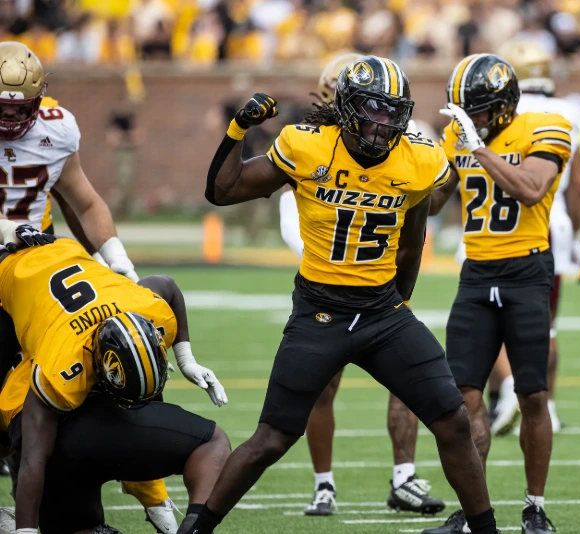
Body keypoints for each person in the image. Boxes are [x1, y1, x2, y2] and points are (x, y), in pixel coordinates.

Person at [181, 56, 498, 534]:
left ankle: (485, 529)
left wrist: (399, 304)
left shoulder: (417, 158)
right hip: (319, 312)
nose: (383, 123)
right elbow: (223, 191)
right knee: (271, 438)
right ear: (347, 107)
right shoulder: (308, 147)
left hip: (382, 313)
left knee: (452, 419)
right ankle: (197, 529)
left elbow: (414, 236)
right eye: (374, 110)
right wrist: (237, 129)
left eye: (393, 113)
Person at [0, 40, 184, 532]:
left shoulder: (57, 127)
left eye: (18, 109)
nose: (9, 120)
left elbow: (83, 201)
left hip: (33, 266)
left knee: (114, 357)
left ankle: (149, 487)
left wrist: (116, 260)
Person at [278, 51, 445, 516]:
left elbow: (427, 200)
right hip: (328, 291)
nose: (379, 119)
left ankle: (405, 477)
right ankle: (324, 483)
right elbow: (298, 230)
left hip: (382, 288)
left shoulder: (401, 146)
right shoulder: (310, 148)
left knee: (410, 376)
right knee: (322, 384)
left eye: (385, 108)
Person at [0, 218, 229, 534]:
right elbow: (33, 458)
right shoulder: (62, 362)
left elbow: (166, 285)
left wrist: (186, 358)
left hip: (65, 256)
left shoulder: (146, 308)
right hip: (16, 282)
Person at [425, 53, 572, 534]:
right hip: (475, 272)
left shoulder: (547, 126)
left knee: (532, 396)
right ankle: (474, 512)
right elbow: (433, 202)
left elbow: (531, 189)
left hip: (527, 272)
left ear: (505, 106)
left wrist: (480, 150)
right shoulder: (457, 135)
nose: (474, 121)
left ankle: (534, 506)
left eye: (481, 111)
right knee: (463, 398)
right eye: (467, 112)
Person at [489, 39, 580, 436]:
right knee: (545, 323)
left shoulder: (499, 108)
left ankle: (510, 391)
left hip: (495, 223)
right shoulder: (568, 111)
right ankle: (544, 406)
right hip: (554, 223)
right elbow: (578, 185)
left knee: (493, 315)